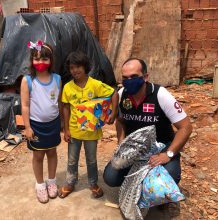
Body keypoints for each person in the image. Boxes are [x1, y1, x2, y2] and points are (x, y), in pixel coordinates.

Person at [103, 58, 192, 187]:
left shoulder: (160, 95)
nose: (129, 81)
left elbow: (186, 127)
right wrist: (121, 143)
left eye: (134, 76)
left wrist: (168, 154)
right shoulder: (122, 94)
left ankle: (156, 190)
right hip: (134, 149)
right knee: (111, 178)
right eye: (125, 78)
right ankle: (140, 180)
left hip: (161, 148)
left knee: (169, 177)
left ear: (145, 77)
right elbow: (120, 121)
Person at [59, 51, 119, 198]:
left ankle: (93, 183)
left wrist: (113, 113)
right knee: (72, 159)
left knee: (91, 159)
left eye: (78, 67)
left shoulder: (95, 84)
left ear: (85, 67)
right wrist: (66, 129)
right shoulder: (68, 87)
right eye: (72, 68)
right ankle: (70, 182)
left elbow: (114, 93)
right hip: (74, 130)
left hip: (91, 132)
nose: (75, 70)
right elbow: (65, 107)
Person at [21, 40, 62, 203]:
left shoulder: (57, 79)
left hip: (53, 124)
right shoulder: (27, 80)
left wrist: (63, 124)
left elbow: (60, 102)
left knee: (52, 152)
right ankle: (39, 184)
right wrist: (27, 127)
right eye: (37, 59)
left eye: (45, 59)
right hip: (36, 126)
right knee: (38, 155)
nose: (40, 62)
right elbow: (25, 105)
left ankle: (51, 182)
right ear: (32, 61)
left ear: (51, 61)